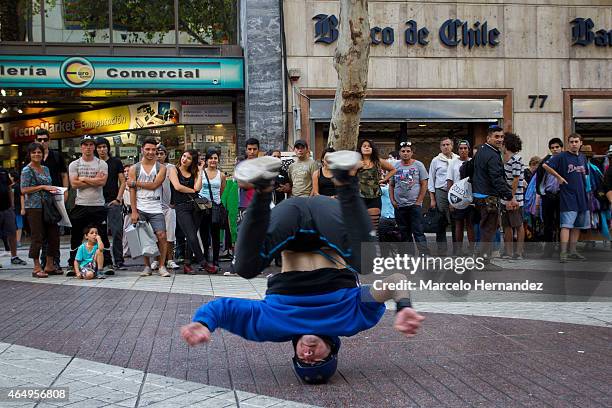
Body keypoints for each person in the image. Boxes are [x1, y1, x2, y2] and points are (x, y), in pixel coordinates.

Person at [181, 152, 424, 384]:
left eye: (304, 362)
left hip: (289, 226)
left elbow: (222, 309)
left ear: (295, 353)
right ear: (332, 349)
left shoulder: (273, 326)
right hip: (326, 227)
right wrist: (403, 306)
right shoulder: (351, 321)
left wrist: (202, 323)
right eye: (319, 361)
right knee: (367, 262)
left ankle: (264, 188)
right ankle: (345, 180)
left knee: (244, 268)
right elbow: (395, 280)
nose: (309, 357)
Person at [67, 135, 111, 275]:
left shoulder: (102, 164)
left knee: (102, 235)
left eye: (91, 145)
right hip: (80, 204)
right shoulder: (74, 164)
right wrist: (94, 179)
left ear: (94, 147)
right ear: (81, 147)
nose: (88, 147)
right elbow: (74, 184)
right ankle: (72, 264)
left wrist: (84, 178)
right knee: (76, 235)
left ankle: (107, 263)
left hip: (98, 204)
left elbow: (101, 183)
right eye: (85, 145)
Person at [471, 125, 515, 266]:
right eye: (496, 136)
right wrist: (509, 196)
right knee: (488, 230)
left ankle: (480, 259)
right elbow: (497, 179)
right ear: (488, 137)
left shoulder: (481, 151)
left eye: (502, 137)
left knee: (484, 229)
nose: (500, 139)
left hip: (479, 195)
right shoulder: (492, 154)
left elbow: (466, 168)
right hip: (488, 197)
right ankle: (484, 262)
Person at [543, 133, 590, 262]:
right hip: (568, 196)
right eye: (571, 142)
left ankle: (573, 251)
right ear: (568, 143)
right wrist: (559, 177)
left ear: (581, 143)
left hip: (582, 196)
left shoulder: (583, 157)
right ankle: (563, 253)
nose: (574, 144)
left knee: (577, 226)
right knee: (566, 225)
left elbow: (586, 176)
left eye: (576, 141)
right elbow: (545, 166)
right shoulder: (562, 156)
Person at [128, 137, 171, 277]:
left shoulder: (161, 168)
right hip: (140, 207)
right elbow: (132, 191)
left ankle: (162, 265)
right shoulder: (135, 168)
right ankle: (147, 266)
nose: (151, 152)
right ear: (142, 150)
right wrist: (133, 211)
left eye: (153, 149)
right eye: (148, 149)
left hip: (156, 208)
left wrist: (135, 183)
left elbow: (154, 185)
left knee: (162, 235)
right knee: (143, 237)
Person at [20, 142, 61, 278]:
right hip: (34, 207)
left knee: (53, 235)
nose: (37, 154)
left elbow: (49, 186)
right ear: (29, 155)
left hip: (48, 206)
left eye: (39, 152)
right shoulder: (27, 170)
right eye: (34, 152)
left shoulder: (46, 168)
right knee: (37, 237)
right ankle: (36, 267)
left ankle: (49, 265)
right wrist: (42, 187)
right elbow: (24, 189)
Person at [36, 129, 68, 272]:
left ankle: (55, 262)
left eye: (44, 139)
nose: (42, 142)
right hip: (39, 199)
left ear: (49, 140)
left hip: (56, 197)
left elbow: (64, 175)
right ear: (36, 141)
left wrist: (66, 192)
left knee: (55, 232)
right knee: (41, 233)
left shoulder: (56, 156)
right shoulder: (33, 156)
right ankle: (44, 263)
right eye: (39, 139)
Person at [389, 141, 429, 255]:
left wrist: (419, 201)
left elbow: (424, 183)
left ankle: (424, 253)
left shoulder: (418, 165)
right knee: (403, 231)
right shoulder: (395, 166)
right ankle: (408, 254)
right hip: (399, 205)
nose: (405, 153)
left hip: (414, 205)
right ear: (399, 153)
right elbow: (391, 185)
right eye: (403, 151)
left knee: (418, 231)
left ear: (412, 153)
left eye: (408, 151)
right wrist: (392, 200)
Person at [95, 137, 126, 271]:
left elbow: (123, 181)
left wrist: (118, 199)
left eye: (104, 147)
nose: (102, 149)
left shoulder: (116, 162)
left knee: (117, 231)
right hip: (97, 202)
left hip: (113, 202)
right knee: (100, 233)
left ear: (108, 148)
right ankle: (105, 260)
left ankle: (119, 260)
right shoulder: (94, 163)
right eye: (99, 147)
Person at [356, 139, 396, 232]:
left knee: (373, 228)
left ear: (372, 149)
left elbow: (393, 169)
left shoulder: (378, 161)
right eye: (364, 146)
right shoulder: (356, 162)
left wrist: (385, 179)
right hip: (359, 197)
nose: (366, 147)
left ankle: (372, 246)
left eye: (369, 146)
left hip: (374, 197)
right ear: (360, 149)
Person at [428, 137, 459, 253]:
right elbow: (431, 179)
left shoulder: (457, 159)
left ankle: (457, 249)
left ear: (452, 146)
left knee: (456, 220)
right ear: (440, 147)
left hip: (456, 192)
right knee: (441, 221)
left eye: (448, 144)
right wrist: (432, 199)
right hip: (441, 191)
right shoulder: (436, 160)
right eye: (443, 145)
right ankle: (442, 249)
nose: (446, 147)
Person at [152, 144, 179, 270]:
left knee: (170, 233)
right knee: (156, 234)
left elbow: (175, 186)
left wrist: (174, 202)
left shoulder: (171, 168)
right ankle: (156, 259)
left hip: (168, 206)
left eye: (161, 154)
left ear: (165, 155)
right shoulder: (150, 167)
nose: (158, 156)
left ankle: (170, 259)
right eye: (157, 153)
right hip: (153, 205)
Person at [536, 138, 564, 257]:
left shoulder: (565, 161)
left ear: (561, 148)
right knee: (548, 223)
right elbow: (539, 178)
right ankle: (548, 250)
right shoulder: (545, 161)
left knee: (561, 223)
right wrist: (541, 193)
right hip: (548, 195)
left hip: (562, 195)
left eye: (557, 147)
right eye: (552, 147)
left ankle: (561, 248)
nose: (555, 149)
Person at [500, 133, 526, 260]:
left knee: (518, 225)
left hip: (515, 199)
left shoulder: (516, 159)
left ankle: (519, 252)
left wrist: (511, 197)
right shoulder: (506, 160)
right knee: (507, 226)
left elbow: (516, 179)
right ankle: (508, 252)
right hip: (505, 198)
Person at [446, 140, 475, 255]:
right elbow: (449, 181)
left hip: (470, 198)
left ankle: (472, 250)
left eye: (465, 148)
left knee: (470, 224)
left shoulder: (473, 162)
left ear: (469, 149)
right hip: (457, 197)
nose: (463, 150)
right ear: (458, 150)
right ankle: (458, 250)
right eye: (461, 148)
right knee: (458, 224)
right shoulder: (452, 163)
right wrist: (450, 201)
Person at [199, 149, 225, 273]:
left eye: (215, 158)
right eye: (211, 158)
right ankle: (205, 260)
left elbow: (221, 191)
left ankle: (215, 260)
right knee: (204, 234)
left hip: (215, 205)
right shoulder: (200, 173)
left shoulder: (222, 175)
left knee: (215, 234)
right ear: (206, 160)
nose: (213, 160)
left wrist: (215, 202)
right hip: (202, 204)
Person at [237, 138, 260, 224]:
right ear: (246, 150)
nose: (252, 151)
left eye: (254, 149)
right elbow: (241, 184)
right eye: (249, 149)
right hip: (244, 205)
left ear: (258, 150)